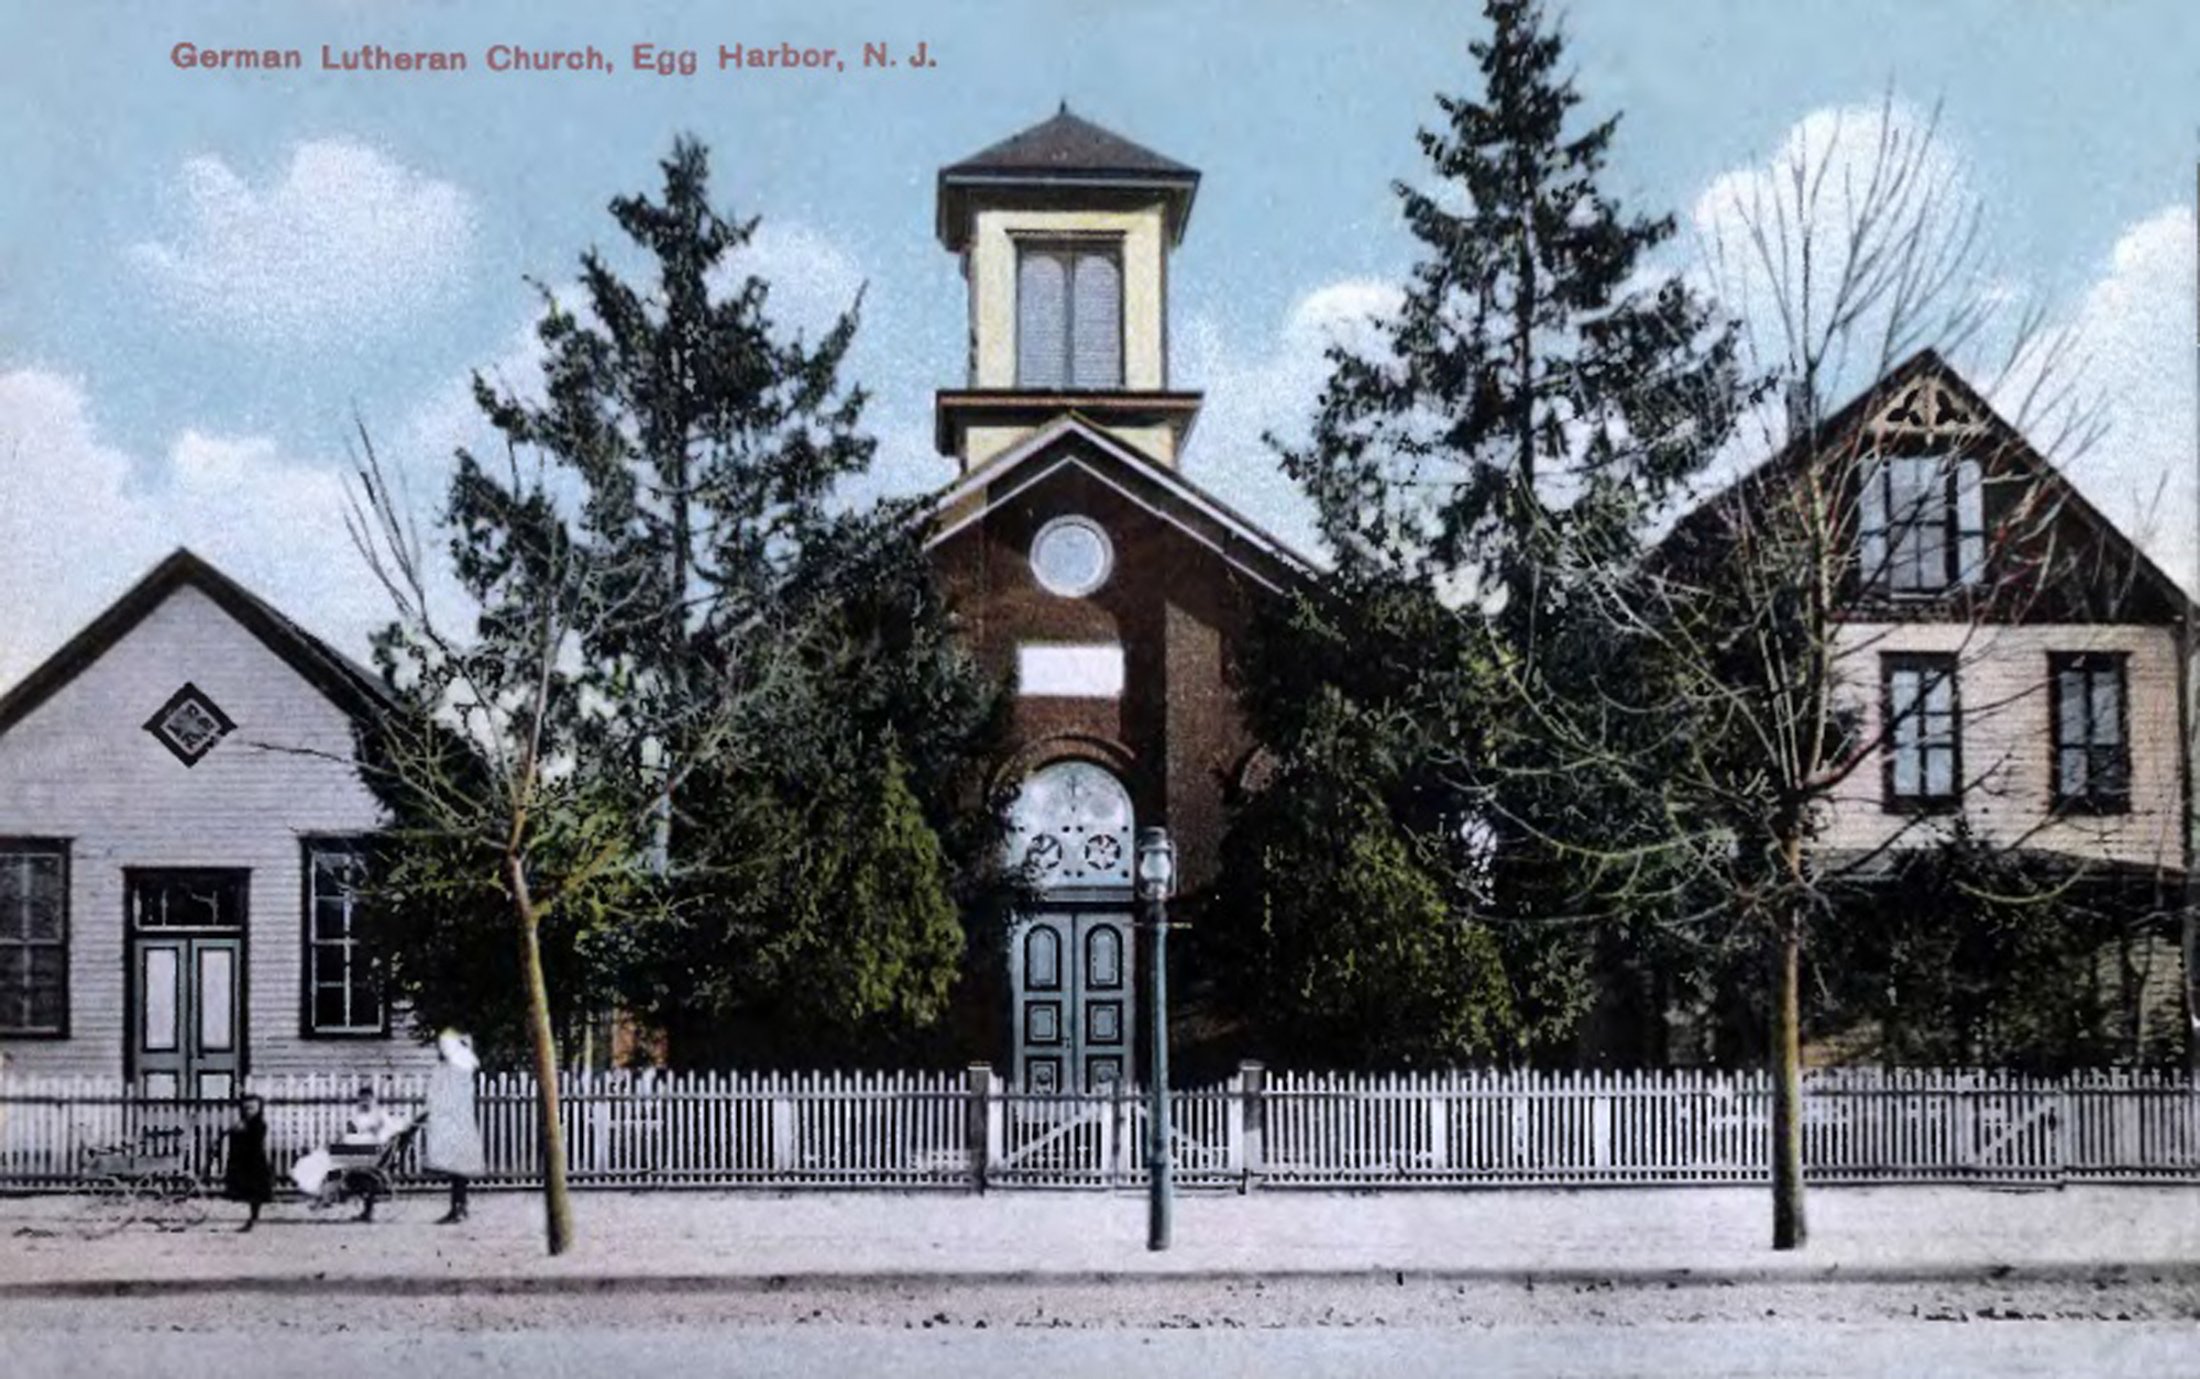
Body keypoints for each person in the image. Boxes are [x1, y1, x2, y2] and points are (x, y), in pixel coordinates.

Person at [421, 1030, 485, 1224]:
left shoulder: (459, 1068)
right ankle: (458, 1206)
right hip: (451, 1122)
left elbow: (449, 1095)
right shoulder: (450, 1068)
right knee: (455, 1168)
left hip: (457, 1123)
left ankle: (459, 1207)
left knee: (458, 1167)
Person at [221, 1093, 274, 1231]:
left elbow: (255, 1141)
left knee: (255, 1193)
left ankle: (253, 1218)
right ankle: (251, 1219)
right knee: (247, 1191)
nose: (249, 1111)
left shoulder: (259, 1124)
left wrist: (241, 1132)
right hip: (243, 1162)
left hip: (255, 1162)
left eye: (252, 1108)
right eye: (246, 1108)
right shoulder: (242, 1123)